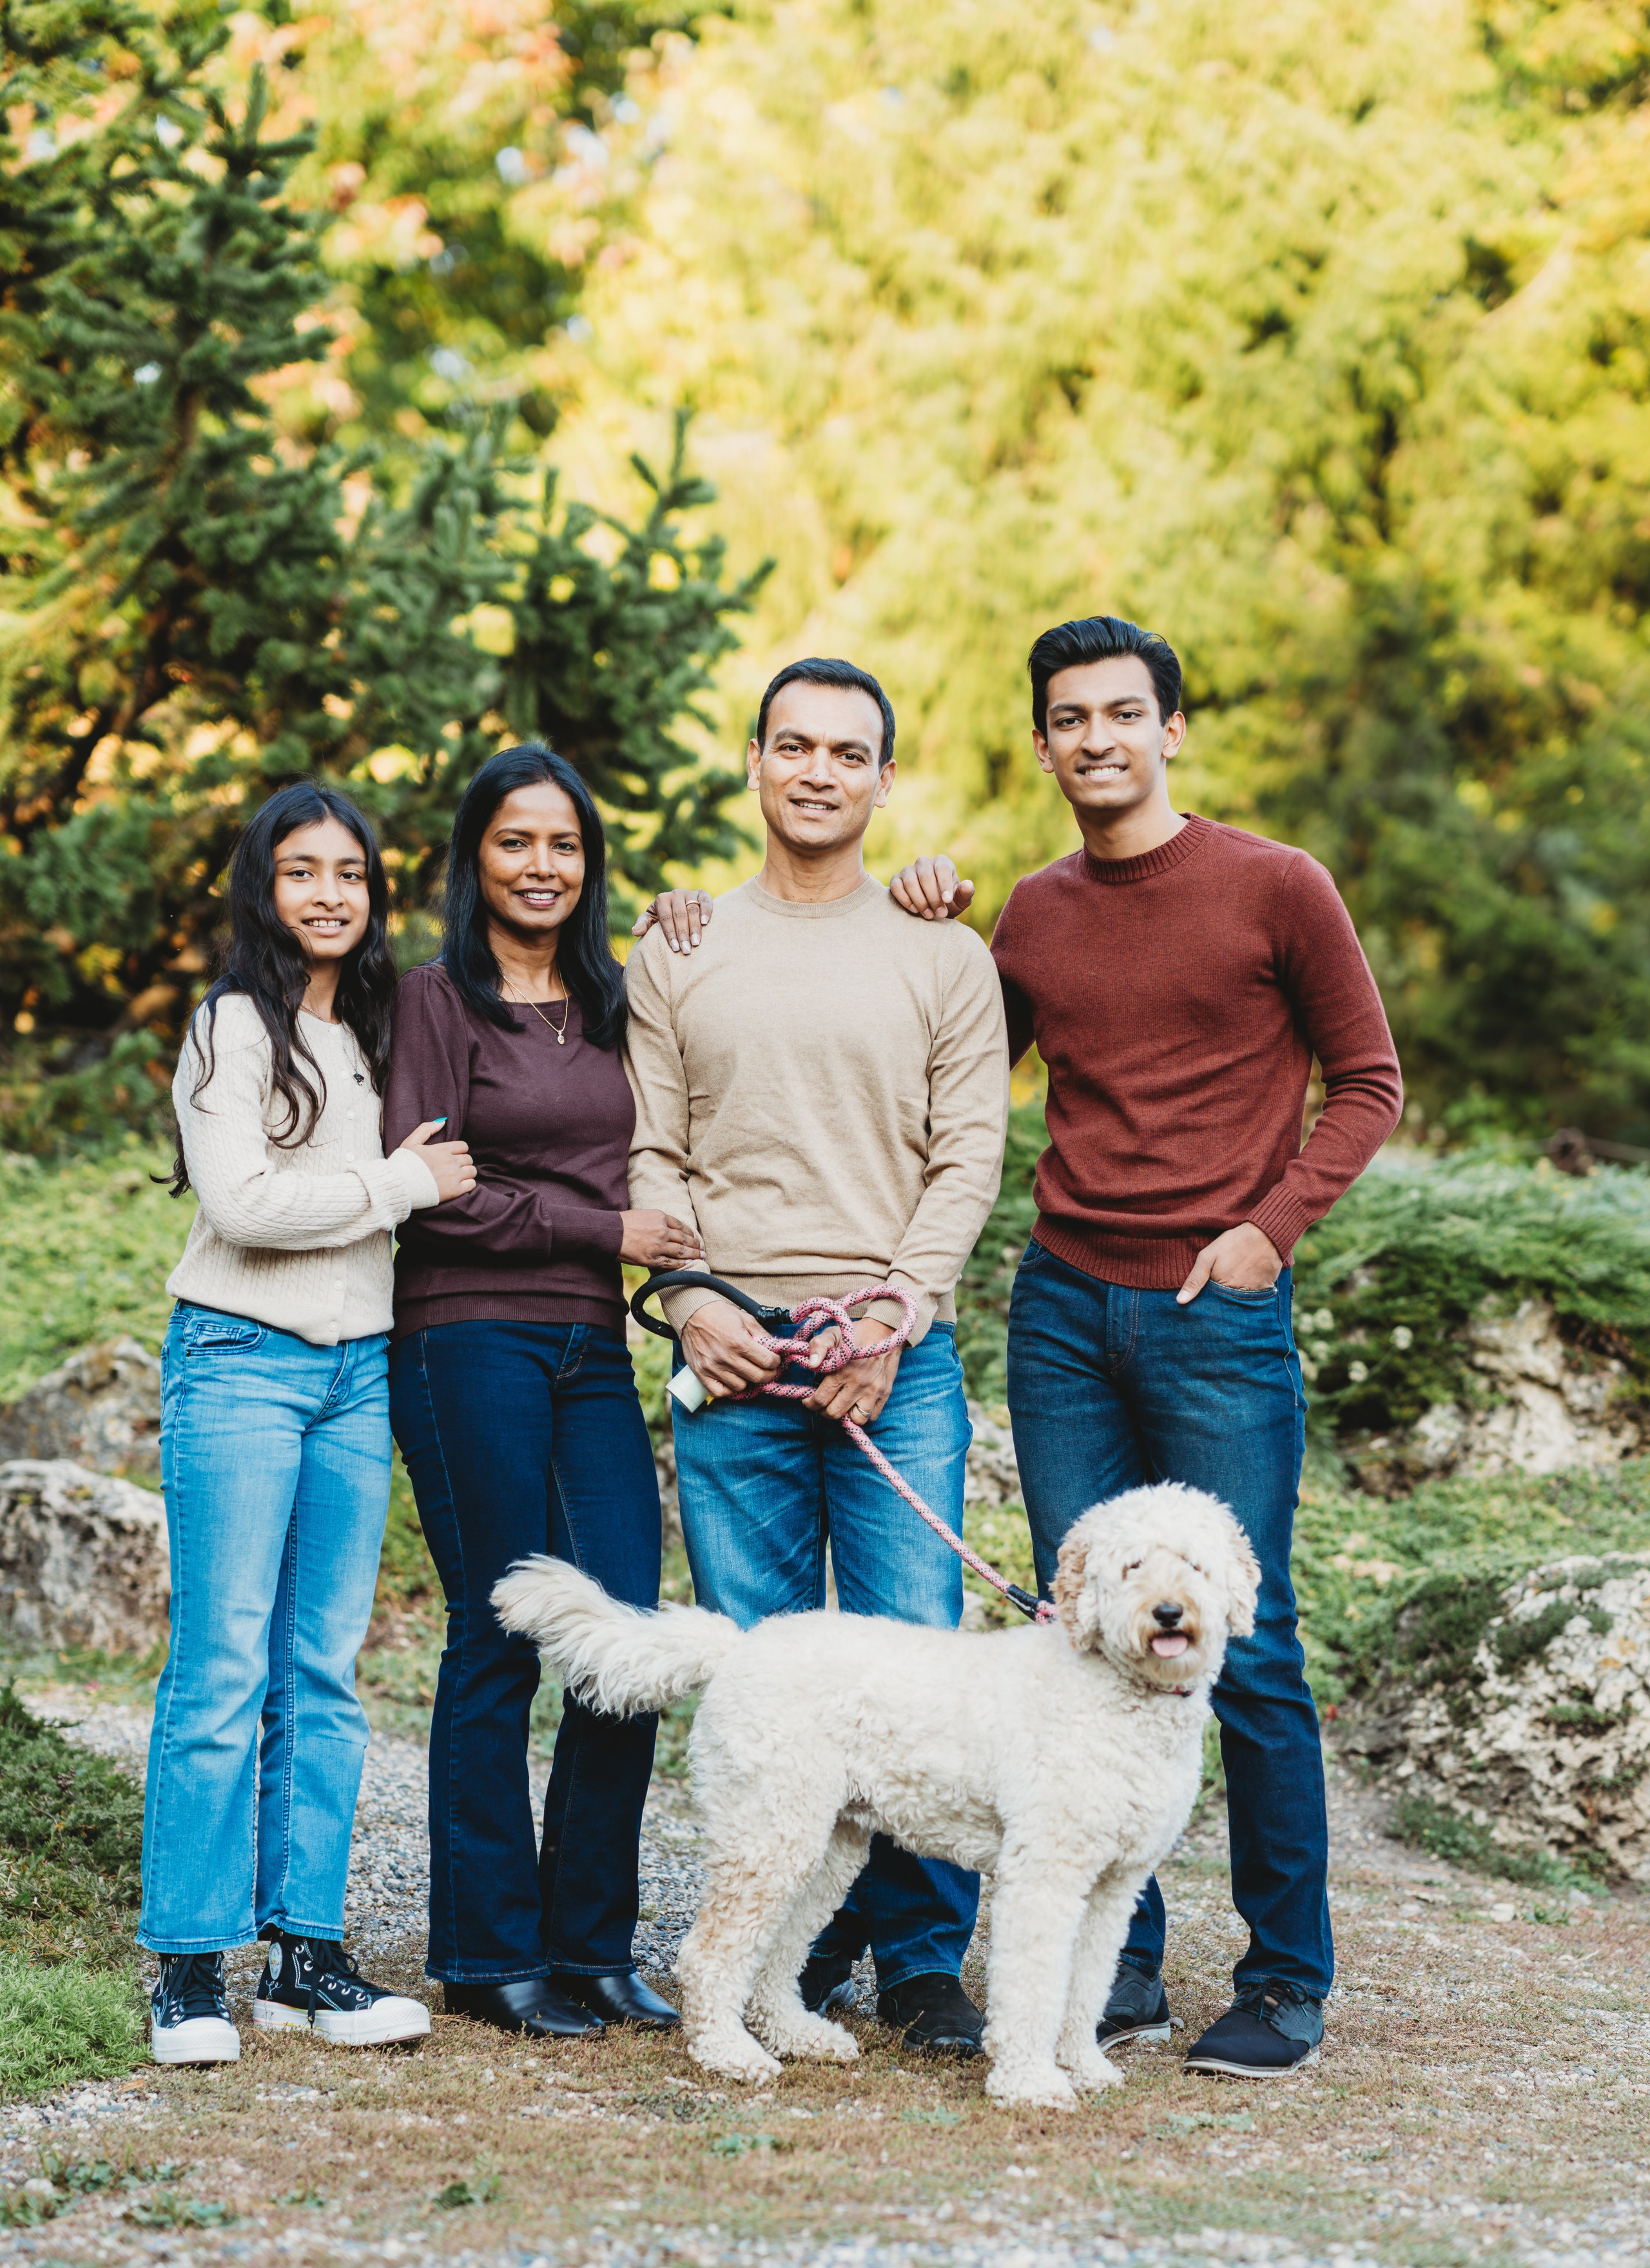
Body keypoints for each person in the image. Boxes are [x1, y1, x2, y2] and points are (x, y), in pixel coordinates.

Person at [886, 615, 1404, 2078]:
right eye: (1070, 718)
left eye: (1124, 712)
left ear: (1170, 729)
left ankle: (1284, 1979)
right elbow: (939, 1074)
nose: (1097, 738)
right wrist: (917, 925)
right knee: (1091, 1642)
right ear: (1042, 745)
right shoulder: (1033, 915)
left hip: (1215, 1313)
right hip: (1060, 1311)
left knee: (1251, 1639)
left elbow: (1368, 1081)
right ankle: (1117, 1971)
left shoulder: (1277, 887)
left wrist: (1268, 1233)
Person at [625, 658, 1009, 2056]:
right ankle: (775, 1959)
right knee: (772, 1689)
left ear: (884, 780)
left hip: (894, 1362)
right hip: (734, 1358)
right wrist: (687, 1300)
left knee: (919, 1669)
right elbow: (649, 1150)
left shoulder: (942, 953)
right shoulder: (676, 948)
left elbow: (968, 1154)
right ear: (754, 761)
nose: (818, 772)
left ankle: (919, 1965)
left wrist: (897, 1313)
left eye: (849, 753)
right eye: (793, 746)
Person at [145, 781, 476, 2066]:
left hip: (355, 1373)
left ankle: (304, 1956)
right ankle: (188, 1970)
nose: (329, 893)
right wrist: (399, 1183)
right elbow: (239, 1201)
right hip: (238, 1359)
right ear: (263, 887)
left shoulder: (382, 1027)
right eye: (302, 870)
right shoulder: (233, 1025)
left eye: (350, 872)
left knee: (322, 1673)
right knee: (223, 1665)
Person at [384, 745, 704, 2041]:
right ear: (476, 857)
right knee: (499, 1632)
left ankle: (590, 1948)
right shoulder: (432, 1000)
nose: (541, 866)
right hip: (467, 1339)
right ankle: (484, 1952)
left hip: (590, 1351)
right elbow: (433, 1195)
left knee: (622, 1641)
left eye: (563, 844)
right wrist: (600, 1231)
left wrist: (694, 918)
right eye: (514, 841)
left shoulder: (615, 1002)